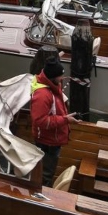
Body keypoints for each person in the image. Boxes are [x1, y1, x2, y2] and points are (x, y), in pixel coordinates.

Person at [30, 58, 78, 187]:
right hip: (47, 142)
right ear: (52, 77)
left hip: (54, 139)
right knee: (45, 174)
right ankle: (40, 197)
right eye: (60, 76)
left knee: (48, 172)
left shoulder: (54, 85)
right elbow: (40, 120)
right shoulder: (42, 95)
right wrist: (65, 119)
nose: (62, 78)